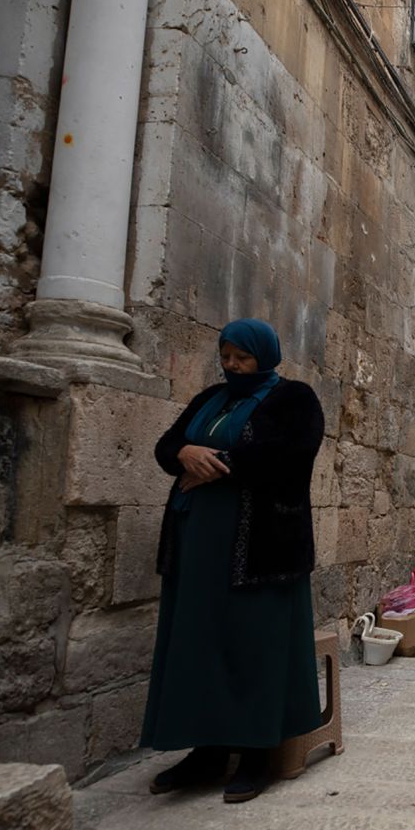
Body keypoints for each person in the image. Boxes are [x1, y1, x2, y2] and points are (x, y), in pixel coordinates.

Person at [142, 318, 325, 804]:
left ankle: (255, 754)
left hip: (261, 546)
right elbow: (166, 447)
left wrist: (215, 467)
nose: (233, 366)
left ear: (264, 354)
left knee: (252, 643)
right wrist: (185, 452)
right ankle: (207, 751)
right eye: (226, 357)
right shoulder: (209, 399)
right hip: (198, 543)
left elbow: (291, 457)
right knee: (200, 640)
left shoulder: (295, 398)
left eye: (242, 358)